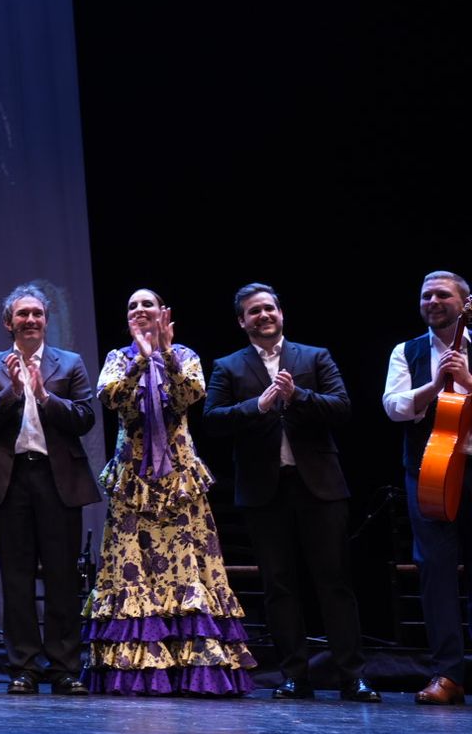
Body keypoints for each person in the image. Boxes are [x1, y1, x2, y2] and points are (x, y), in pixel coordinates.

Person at [202, 283, 377, 701]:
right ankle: (294, 675)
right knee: (279, 585)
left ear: (281, 313)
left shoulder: (314, 356)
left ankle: (351, 676)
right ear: (241, 321)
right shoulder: (228, 366)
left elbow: (342, 407)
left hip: (319, 485)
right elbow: (212, 421)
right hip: (265, 490)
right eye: (253, 311)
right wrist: (258, 406)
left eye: (269, 308)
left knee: (334, 581)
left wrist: (297, 396)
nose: (263, 316)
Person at [84, 289, 255, 696]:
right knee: (132, 567)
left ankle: (194, 669)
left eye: (148, 304)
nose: (140, 310)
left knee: (188, 567)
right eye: (132, 306)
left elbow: (188, 395)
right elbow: (112, 400)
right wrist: (143, 357)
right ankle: (138, 672)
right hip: (134, 482)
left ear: (164, 314)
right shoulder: (117, 358)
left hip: (179, 479)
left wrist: (165, 353)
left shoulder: (186, 355)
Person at [0, 284, 100, 695]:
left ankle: (64, 667)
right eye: (23, 314)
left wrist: (44, 395)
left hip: (57, 479)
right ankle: (24, 667)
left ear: (46, 321)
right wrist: (12, 392)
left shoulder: (71, 363)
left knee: (63, 577)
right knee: (16, 578)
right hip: (10, 483)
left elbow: (84, 418)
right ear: (8, 323)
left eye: (37, 314)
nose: (31, 320)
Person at [382, 270, 471, 705]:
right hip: (430, 469)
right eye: (426, 296)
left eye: (442, 295)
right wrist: (435, 385)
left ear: (465, 303)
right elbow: (395, 407)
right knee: (435, 569)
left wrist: (469, 383)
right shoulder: (408, 351)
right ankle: (448, 674)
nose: (432, 301)